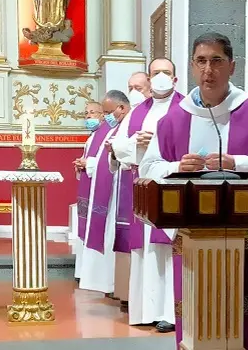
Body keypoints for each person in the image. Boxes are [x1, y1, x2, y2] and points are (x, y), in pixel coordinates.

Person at [139, 32, 248, 350]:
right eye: (201, 61)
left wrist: (239, 161)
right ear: (193, 67)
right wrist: (177, 168)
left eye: (217, 61)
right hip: (191, 235)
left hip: (245, 232)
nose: (209, 69)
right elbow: (148, 169)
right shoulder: (173, 120)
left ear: (232, 66)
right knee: (199, 309)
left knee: (245, 314)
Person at [109, 59, 184, 331]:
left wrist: (156, 145)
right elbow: (118, 147)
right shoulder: (138, 111)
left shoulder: (187, 108)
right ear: (149, 80)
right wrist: (135, 143)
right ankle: (147, 310)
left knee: (170, 250)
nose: (161, 77)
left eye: (167, 72)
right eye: (156, 73)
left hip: (173, 186)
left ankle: (172, 313)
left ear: (175, 78)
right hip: (143, 186)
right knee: (146, 251)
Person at [104, 71, 151, 313]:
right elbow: (119, 148)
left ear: (150, 87)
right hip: (128, 179)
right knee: (127, 235)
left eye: (139, 87)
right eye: (130, 87)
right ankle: (127, 292)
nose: (135, 92)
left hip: (151, 182)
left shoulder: (158, 112)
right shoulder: (129, 117)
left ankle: (148, 300)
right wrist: (117, 150)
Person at [79, 90, 131, 295]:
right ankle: (107, 282)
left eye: (106, 111)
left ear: (121, 108)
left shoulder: (121, 127)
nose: (105, 116)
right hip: (109, 185)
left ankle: (112, 283)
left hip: (122, 188)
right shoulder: (110, 129)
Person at [73, 102, 108, 281]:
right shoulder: (92, 136)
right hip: (88, 186)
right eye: (86, 113)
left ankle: (91, 274)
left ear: (103, 114)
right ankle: (83, 272)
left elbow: (106, 161)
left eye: (93, 112)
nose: (88, 116)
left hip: (99, 189)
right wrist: (81, 163)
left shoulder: (106, 133)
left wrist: (89, 164)